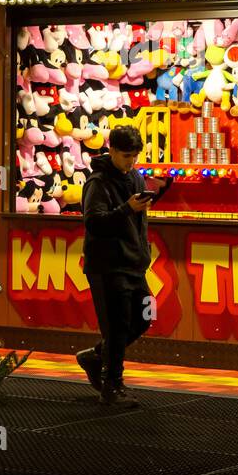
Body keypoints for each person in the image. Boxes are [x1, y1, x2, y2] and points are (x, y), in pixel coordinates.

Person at [76, 125, 154, 406]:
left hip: (134, 264)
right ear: (111, 151)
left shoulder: (135, 177)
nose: (131, 161)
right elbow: (93, 222)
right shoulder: (97, 182)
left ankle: (97, 357)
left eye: (134, 156)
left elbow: (136, 222)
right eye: (125, 156)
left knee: (145, 316)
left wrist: (143, 250)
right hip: (107, 265)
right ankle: (112, 386)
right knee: (117, 327)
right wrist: (126, 209)